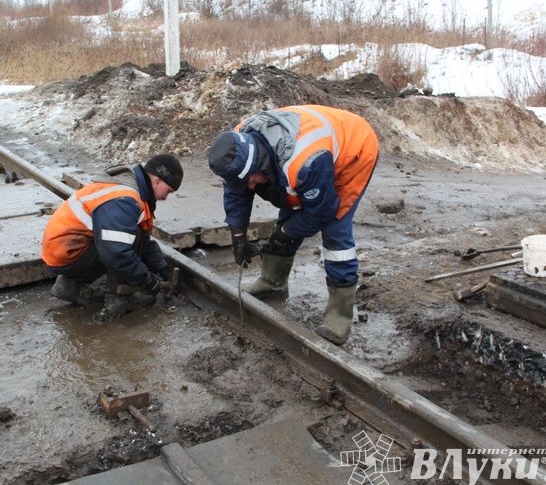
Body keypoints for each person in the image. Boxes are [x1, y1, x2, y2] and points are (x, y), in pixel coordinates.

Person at [207, 105, 378, 345]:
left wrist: (285, 233)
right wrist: (238, 235)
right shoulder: (237, 147)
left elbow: (321, 210)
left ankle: (339, 315)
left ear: (258, 165)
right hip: (305, 158)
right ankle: (272, 284)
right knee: (290, 212)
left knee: (335, 229)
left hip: (353, 151)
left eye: (251, 181)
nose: (252, 188)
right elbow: (238, 193)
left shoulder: (304, 162)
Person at [41, 154, 183, 320]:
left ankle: (68, 286)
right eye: (168, 191)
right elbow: (116, 252)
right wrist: (146, 279)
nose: (165, 197)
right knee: (124, 241)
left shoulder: (130, 188)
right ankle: (119, 300)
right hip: (69, 254)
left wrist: (161, 267)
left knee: (129, 235)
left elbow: (144, 240)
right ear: (157, 180)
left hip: (64, 250)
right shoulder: (125, 200)